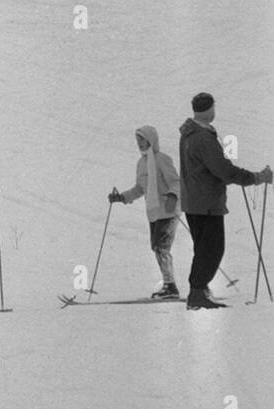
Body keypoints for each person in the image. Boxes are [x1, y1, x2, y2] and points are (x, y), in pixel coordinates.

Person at [178, 93, 272, 310]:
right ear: (210, 109)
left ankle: (198, 291)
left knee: (203, 248)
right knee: (212, 249)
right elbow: (224, 170)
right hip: (206, 202)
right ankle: (197, 292)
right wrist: (256, 178)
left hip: (194, 201)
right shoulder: (202, 137)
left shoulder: (189, 134)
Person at [108, 127, 181, 299]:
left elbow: (175, 182)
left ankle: (170, 287)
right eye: (138, 140)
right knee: (157, 247)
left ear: (151, 140)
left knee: (161, 247)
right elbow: (140, 188)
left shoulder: (162, 159)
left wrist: (173, 196)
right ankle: (169, 285)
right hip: (154, 211)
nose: (139, 143)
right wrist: (121, 197)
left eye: (142, 140)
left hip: (169, 210)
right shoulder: (141, 164)